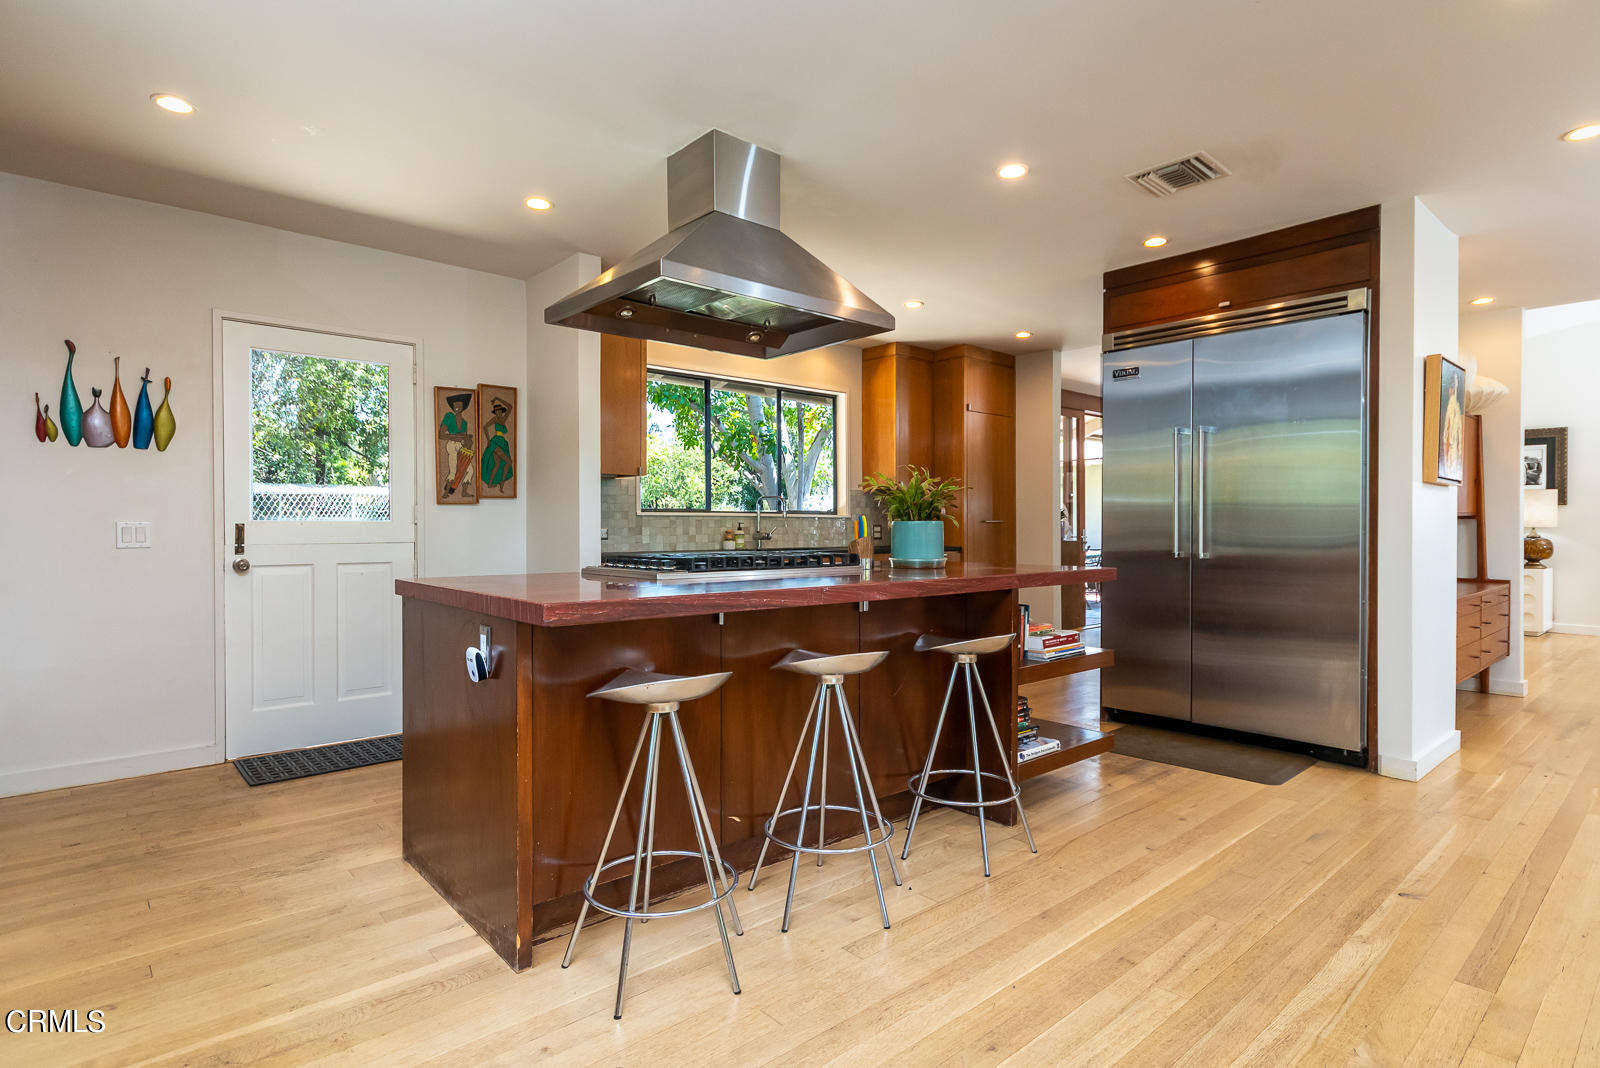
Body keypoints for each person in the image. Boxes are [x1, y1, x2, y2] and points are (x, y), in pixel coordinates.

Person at [439, 393, 474, 498]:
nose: (457, 407)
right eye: (455, 405)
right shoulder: (449, 416)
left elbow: (464, 438)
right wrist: (456, 437)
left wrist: (467, 439)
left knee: (470, 470)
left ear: (463, 406)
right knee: (453, 470)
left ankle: (464, 492)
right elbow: (441, 434)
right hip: (452, 445)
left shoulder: (464, 422)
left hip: (461, 446)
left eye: (459, 405)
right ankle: (446, 492)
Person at [480, 397, 514, 490]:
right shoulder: (495, 419)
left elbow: (510, 407)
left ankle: (490, 484)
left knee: (497, 463)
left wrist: (498, 398)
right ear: (495, 412)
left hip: (502, 442)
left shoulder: (504, 418)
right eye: (497, 411)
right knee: (508, 462)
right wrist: (488, 440)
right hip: (496, 442)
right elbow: (485, 427)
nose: (498, 412)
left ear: (501, 411)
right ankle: (502, 481)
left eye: (500, 411)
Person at [1441, 376, 1464, 479]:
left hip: (1452, 441)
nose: (1450, 390)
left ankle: (1450, 469)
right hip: (1451, 441)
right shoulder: (1454, 404)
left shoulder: (1454, 404)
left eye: (1451, 388)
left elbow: (1451, 424)